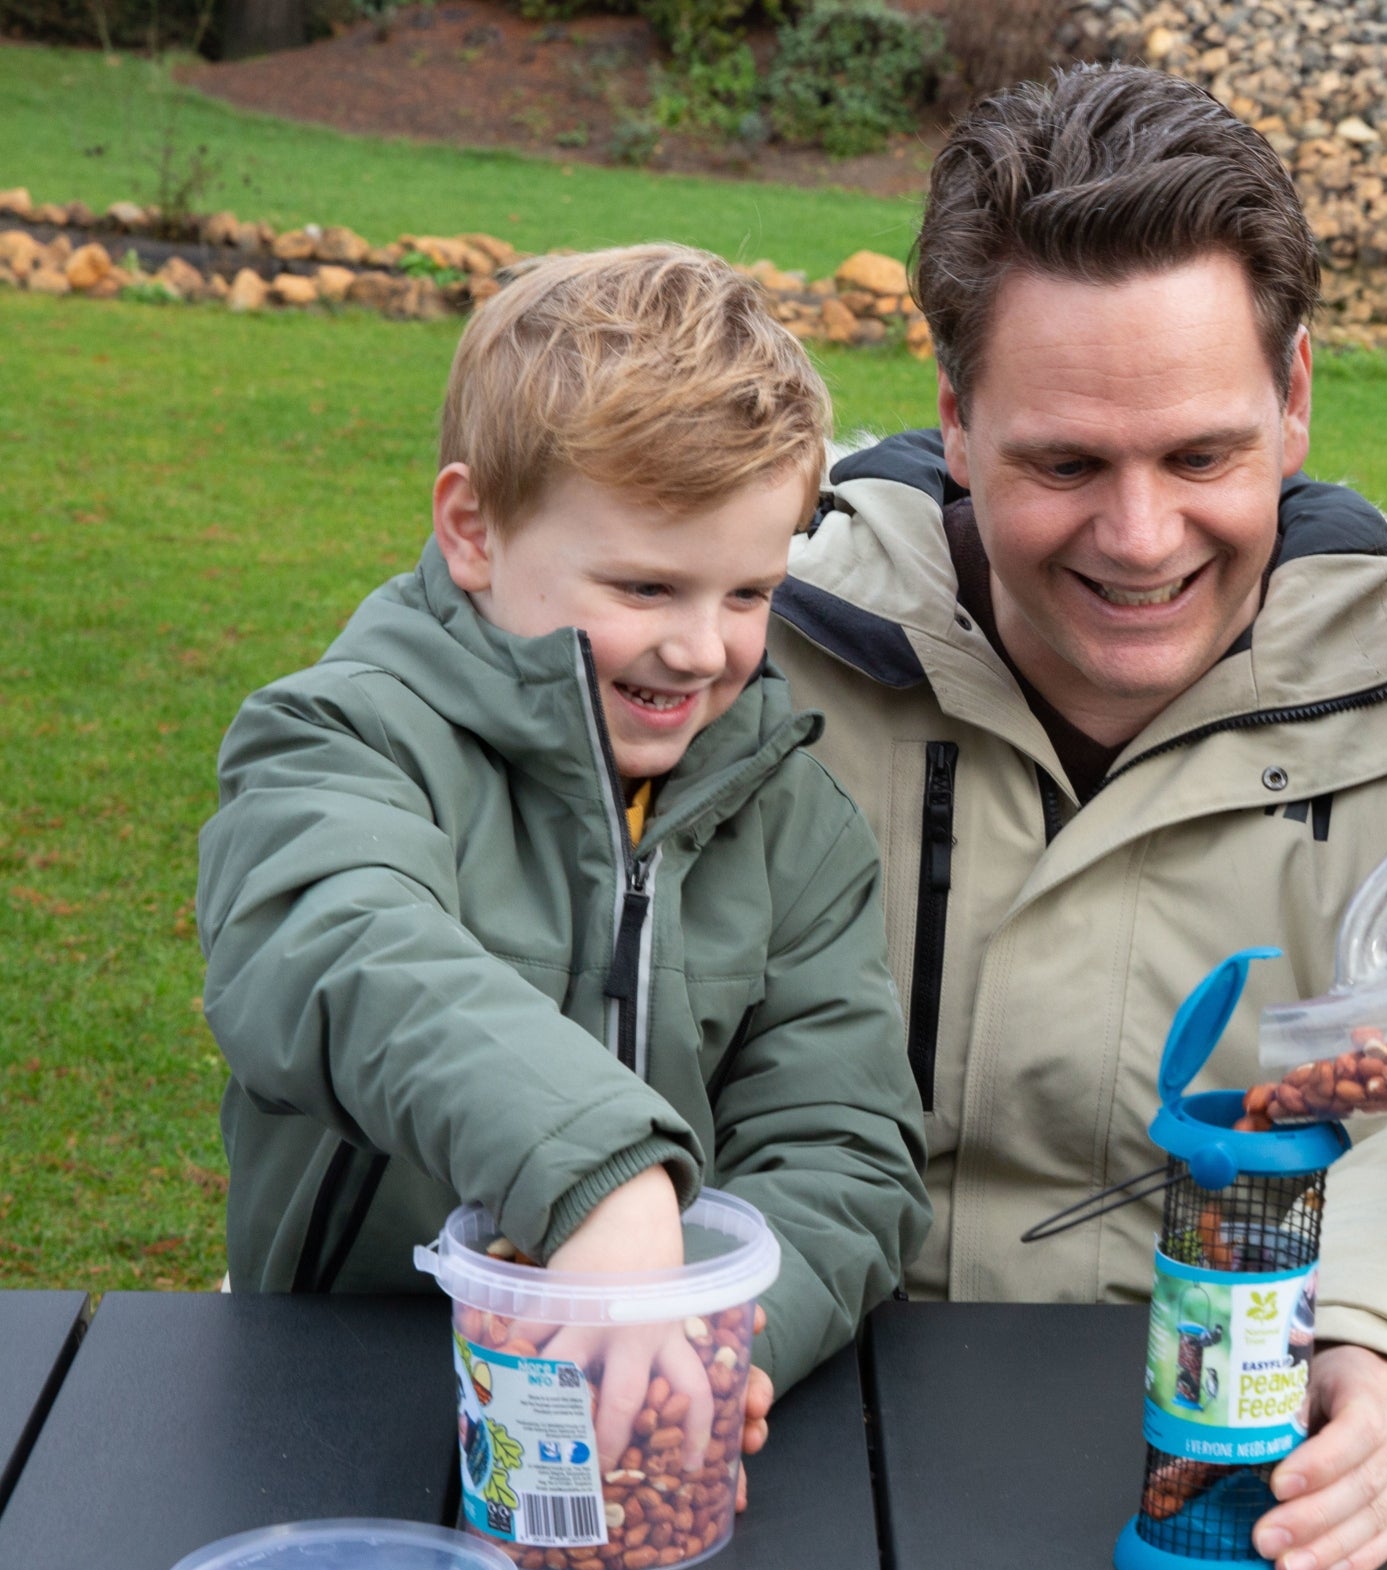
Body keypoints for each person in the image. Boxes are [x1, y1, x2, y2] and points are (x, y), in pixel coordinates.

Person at [766, 66, 1387, 1570]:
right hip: (793, 1479)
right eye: (1066, 462)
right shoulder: (752, 653)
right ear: (955, 420)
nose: (1140, 540)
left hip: (1237, 1513)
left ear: (1292, 405)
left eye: (1202, 457)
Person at [200, 245, 932, 1492]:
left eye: (750, 590)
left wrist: (726, 1338)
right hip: (331, 1395)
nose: (702, 648)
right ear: (474, 528)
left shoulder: (794, 819)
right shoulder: (340, 739)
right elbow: (335, 946)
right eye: (646, 585)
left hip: (642, 1411)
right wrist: (604, 1182)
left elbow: (843, 1143)